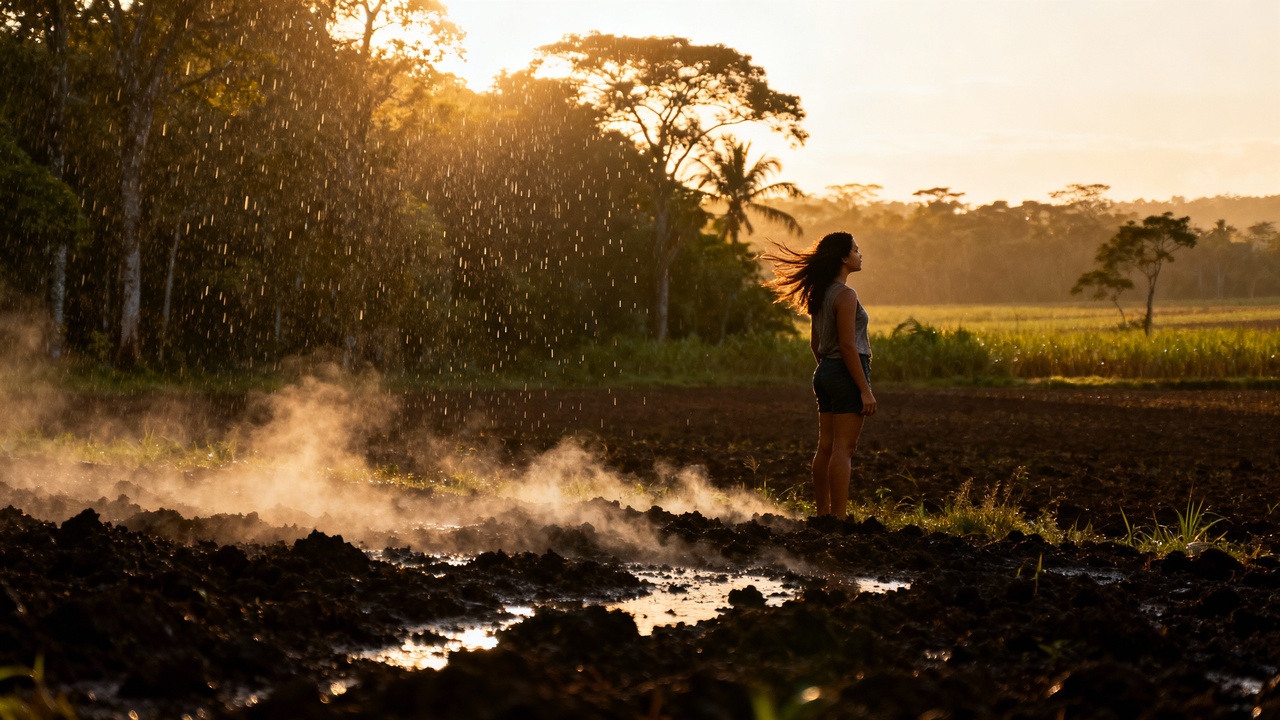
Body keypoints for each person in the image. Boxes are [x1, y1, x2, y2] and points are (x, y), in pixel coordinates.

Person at [763, 231, 876, 520]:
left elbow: (816, 344)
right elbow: (848, 346)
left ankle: (823, 514)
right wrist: (864, 389)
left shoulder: (820, 293)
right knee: (844, 448)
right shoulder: (846, 295)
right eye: (856, 250)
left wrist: (827, 370)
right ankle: (838, 518)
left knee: (825, 447)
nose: (860, 255)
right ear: (844, 258)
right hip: (844, 371)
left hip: (824, 371)